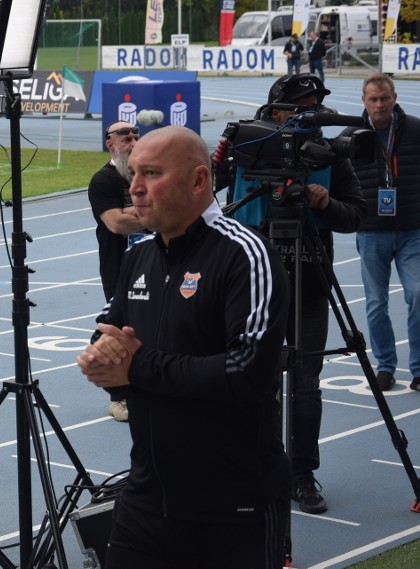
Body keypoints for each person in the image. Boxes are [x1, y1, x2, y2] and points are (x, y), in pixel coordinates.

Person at [77, 126, 292, 568]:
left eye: (151, 173)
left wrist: (136, 368)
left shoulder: (247, 254)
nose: (134, 187)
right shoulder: (138, 257)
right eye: (134, 172)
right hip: (144, 500)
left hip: (231, 506)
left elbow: (248, 371)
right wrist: (100, 356)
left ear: (198, 181)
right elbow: (109, 334)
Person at [224, 74, 365, 515]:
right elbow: (217, 206)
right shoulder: (249, 146)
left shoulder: (332, 155)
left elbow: (354, 214)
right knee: (252, 379)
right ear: (277, 110)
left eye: (315, 108)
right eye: (300, 108)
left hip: (310, 280)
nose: (309, 116)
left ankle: (301, 474)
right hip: (255, 282)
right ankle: (256, 470)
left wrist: (324, 205)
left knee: (305, 383)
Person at [341, 73, 420, 393]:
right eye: (373, 99)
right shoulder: (352, 136)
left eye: (384, 97)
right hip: (371, 230)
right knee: (375, 302)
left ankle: (418, 368)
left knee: (417, 294)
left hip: (412, 229)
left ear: (394, 97)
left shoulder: (415, 129)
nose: (379, 104)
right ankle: (385, 366)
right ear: (364, 101)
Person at [87, 121, 146, 422]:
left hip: (157, 263)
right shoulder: (104, 181)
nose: (133, 141)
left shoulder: (148, 174)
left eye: (136, 136)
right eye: (125, 138)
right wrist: (154, 212)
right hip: (119, 267)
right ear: (110, 144)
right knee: (118, 329)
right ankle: (118, 397)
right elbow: (116, 223)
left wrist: (134, 214)